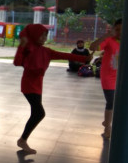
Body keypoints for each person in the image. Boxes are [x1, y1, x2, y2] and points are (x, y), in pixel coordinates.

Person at [13, 24, 92, 154]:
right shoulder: (27, 49)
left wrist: (84, 59)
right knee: (39, 113)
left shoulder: (46, 51)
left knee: (37, 112)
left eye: (46, 35)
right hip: (28, 85)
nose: (44, 38)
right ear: (34, 35)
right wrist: (21, 45)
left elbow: (65, 55)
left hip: (38, 85)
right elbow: (17, 62)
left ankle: (23, 140)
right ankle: (22, 140)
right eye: (42, 35)